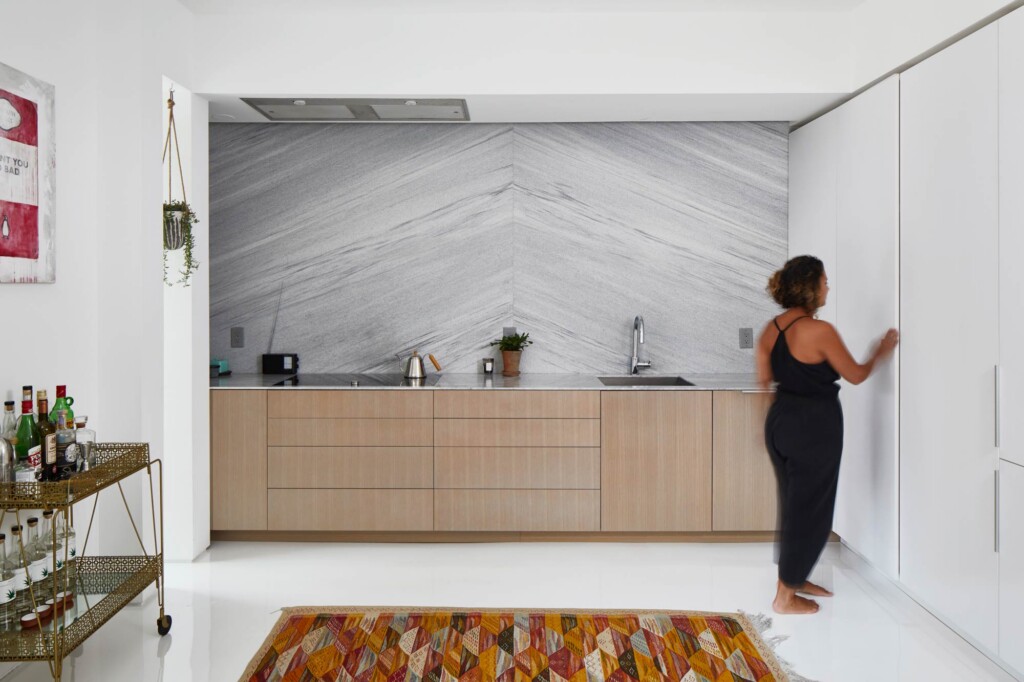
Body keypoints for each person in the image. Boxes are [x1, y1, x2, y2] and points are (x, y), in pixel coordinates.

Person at [756, 255, 898, 615]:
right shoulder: (819, 331)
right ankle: (784, 597)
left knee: (794, 505)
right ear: (809, 287)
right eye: (824, 281)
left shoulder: (771, 329)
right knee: (811, 510)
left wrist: (777, 423)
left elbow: (763, 383)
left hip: (780, 422)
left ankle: (794, 577)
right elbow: (855, 374)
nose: (827, 288)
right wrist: (879, 352)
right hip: (813, 427)